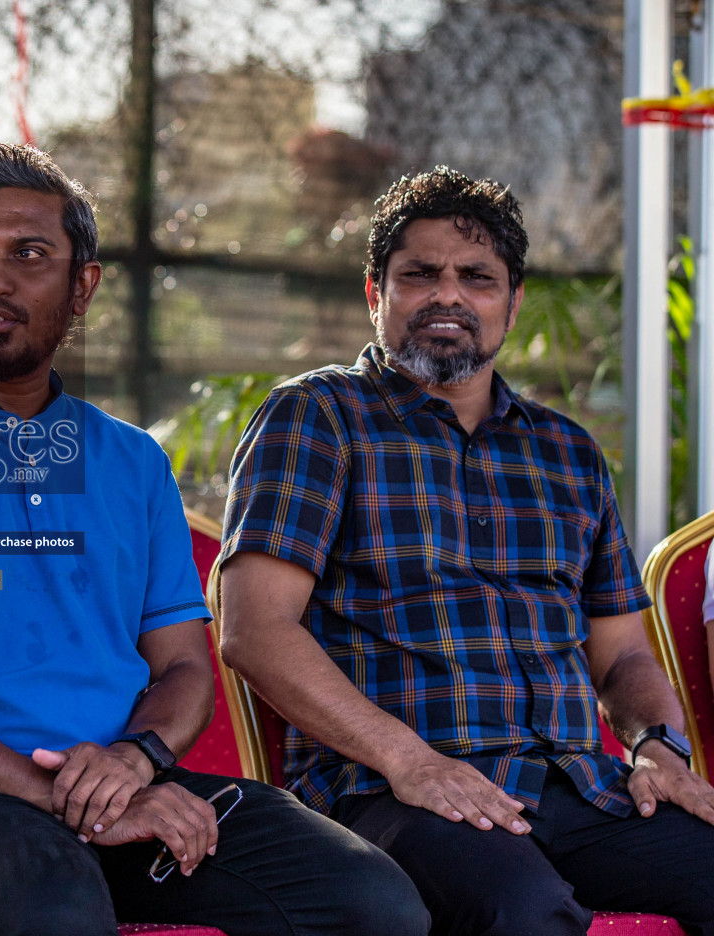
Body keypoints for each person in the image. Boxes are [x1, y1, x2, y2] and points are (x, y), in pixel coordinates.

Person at [0, 142, 427, 936]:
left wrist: (135, 764)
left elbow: (183, 669)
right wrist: (72, 801)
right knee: (55, 905)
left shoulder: (133, 463)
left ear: (82, 286)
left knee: (372, 902)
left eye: (29, 254)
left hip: (129, 784)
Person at [219, 165, 714, 936]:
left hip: (577, 786)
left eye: (476, 277)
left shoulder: (568, 452)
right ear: (375, 294)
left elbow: (621, 657)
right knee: (518, 909)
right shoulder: (316, 419)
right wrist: (410, 759)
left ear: (511, 303)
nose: (447, 295)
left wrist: (658, 747)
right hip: (388, 789)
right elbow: (255, 630)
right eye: (420, 274)